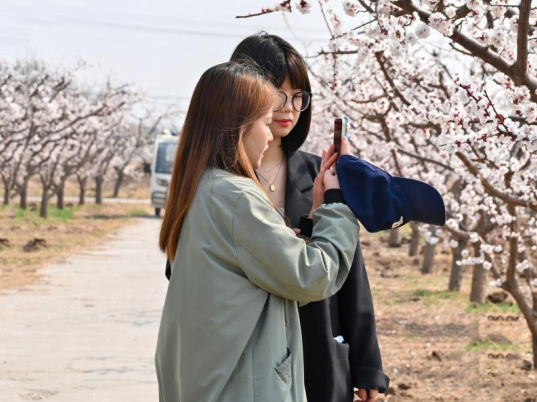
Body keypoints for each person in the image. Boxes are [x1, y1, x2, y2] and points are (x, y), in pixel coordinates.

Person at [156, 61, 360, 402]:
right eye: (266, 123)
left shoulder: (200, 187)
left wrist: (316, 212)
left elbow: (267, 266)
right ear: (237, 127)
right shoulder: (235, 196)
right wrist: (339, 203)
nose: (270, 135)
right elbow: (312, 277)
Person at [230, 33, 389, 402]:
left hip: (315, 345)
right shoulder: (220, 183)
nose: (288, 107)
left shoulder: (320, 174)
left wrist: (366, 365)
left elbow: (350, 271)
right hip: (244, 351)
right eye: (276, 93)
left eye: (297, 95)